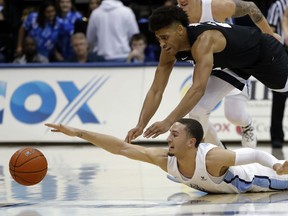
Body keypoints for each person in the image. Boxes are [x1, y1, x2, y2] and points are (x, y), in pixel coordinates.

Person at [125, 6, 288, 145]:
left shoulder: (204, 40)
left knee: (283, 88)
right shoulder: (168, 49)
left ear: (180, 30)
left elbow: (197, 89)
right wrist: (141, 124)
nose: (162, 43)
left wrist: (168, 122)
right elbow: (156, 90)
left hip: (265, 55)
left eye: (165, 37)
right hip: (233, 66)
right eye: (158, 39)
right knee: (198, 110)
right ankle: (219, 160)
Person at [45, 118, 288, 193]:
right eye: (170, 134)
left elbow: (254, 153)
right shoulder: (165, 160)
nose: (168, 138)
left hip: (258, 178)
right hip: (207, 182)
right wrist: (78, 132)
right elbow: (121, 148)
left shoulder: (212, 158)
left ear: (192, 142)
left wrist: (277, 164)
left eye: (174, 134)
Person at [175, 0, 279, 148]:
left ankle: (247, 125)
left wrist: (269, 35)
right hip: (207, 68)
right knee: (197, 111)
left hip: (232, 66)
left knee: (234, 115)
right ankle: (216, 150)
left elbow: (250, 7)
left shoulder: (215, 7)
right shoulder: (176, 16)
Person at [267, 0, 288, 159]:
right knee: (279, 96)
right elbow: (271, 32)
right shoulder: (278, 6)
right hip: (283, 52)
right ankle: (276, 138)